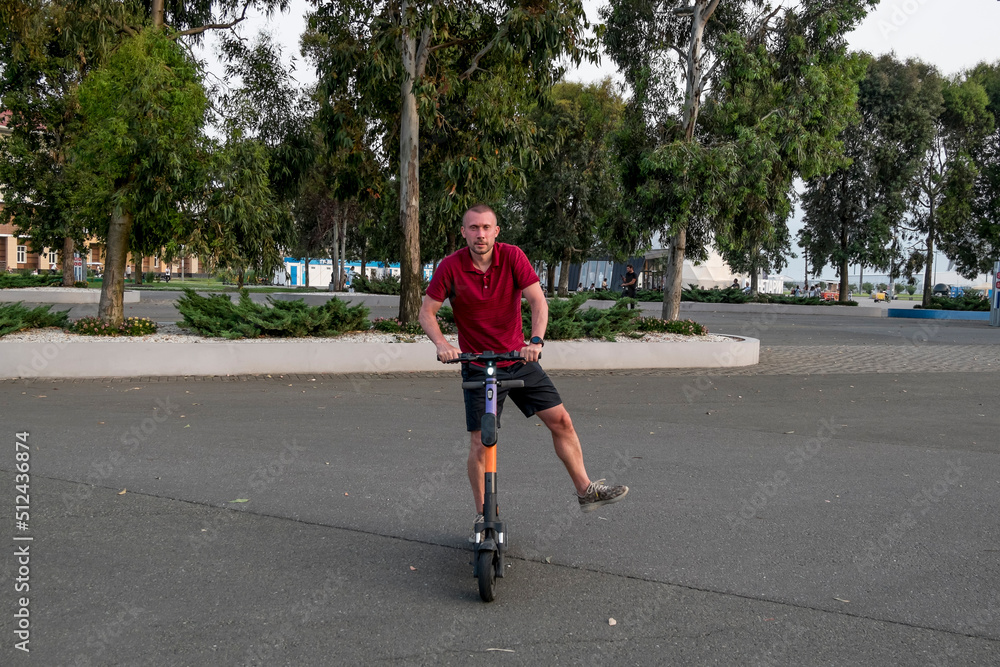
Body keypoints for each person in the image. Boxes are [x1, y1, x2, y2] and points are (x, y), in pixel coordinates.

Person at [418, 204, 629, 539]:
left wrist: (535, 340)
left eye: (486, 227)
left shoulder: (513, 257)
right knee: (480, 443)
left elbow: (538, 302)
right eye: (473, 228)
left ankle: (586, 491)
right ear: (464, 232)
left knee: (562, 421)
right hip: (477, 363)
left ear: (496, 231)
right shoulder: (451, 266)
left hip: (517, 359)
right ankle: (485, 515)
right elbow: (427, 313)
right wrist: (443, 344)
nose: (480, 234)